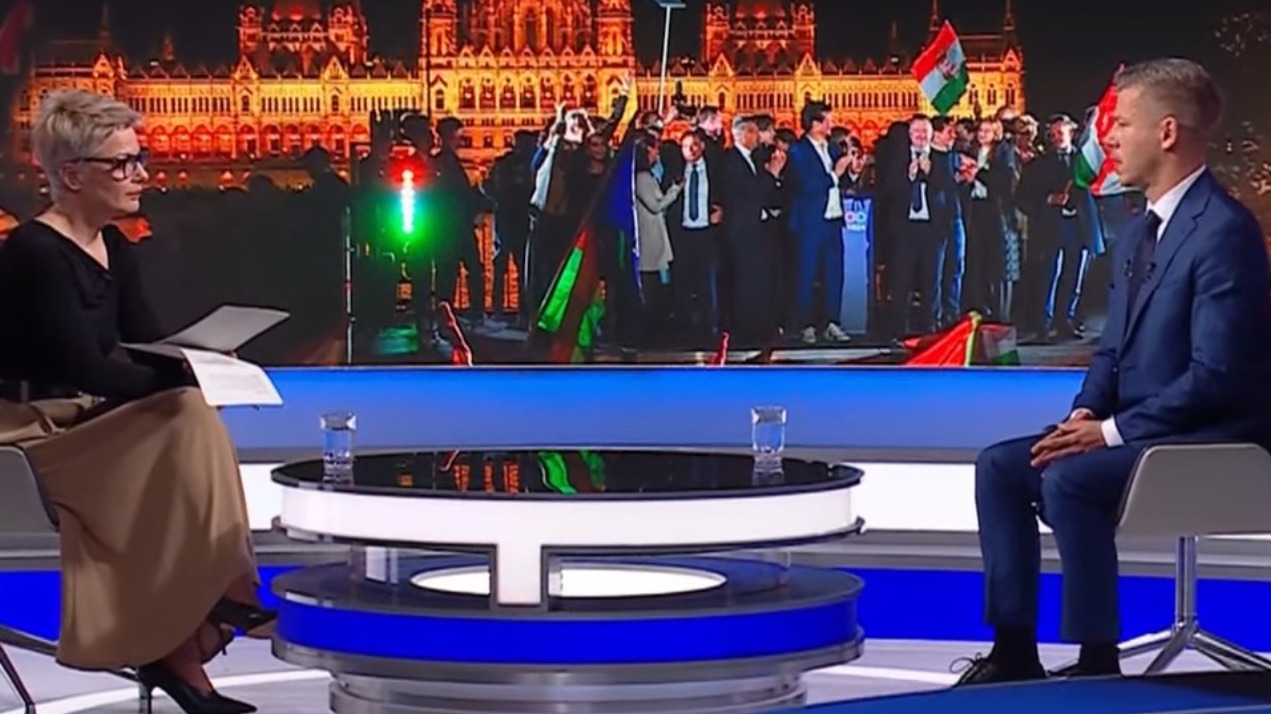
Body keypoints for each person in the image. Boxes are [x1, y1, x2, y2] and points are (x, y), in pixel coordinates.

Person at [958, 58, 1271, 685]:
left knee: (1070, 479)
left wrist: (1106, 433)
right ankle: (1014, 651)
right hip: (1134, 429)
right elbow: (1112, 350)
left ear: (1168, 132)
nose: (1108, 137)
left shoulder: (1224, 232)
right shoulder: (1136, 232)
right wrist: (1084, 412)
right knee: (1000, 466)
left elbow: (1217, 377)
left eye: (1122, 123)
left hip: (1211, 436)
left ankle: (1097, 660)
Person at [0, 90, 273, 714]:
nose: (141, 175)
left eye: (138, 159)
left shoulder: (115, 247)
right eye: (122, 163)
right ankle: (225, 596)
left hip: (80, 420)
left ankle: (192, 640)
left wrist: (205, 363)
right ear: (73, 175)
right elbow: (81, 367)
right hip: (26, 430)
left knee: (189, 412)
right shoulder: (33, 251)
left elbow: (146, 345)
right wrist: (181, 384)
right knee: (184, 413)